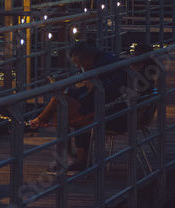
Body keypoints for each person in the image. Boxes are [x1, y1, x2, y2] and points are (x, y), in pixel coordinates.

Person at [27, 39, 127, 173]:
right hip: (116, 111)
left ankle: (38, 123)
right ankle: (80, 159)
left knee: (60, 102)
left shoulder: (99, 69)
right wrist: (72, 92)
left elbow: (96, 95)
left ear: (87, 58)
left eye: (79, 64)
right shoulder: (105, 61)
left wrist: (72, 93)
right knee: (63, 106)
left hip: (111, 116)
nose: (80, 68)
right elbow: (91, 94)